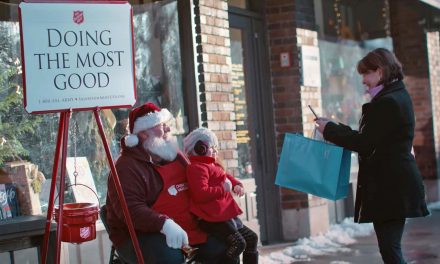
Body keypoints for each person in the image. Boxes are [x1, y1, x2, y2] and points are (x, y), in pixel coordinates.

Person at [315, 48, 430, 264]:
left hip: (391, 187)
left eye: (365, 74)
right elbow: (370, 138)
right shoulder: (395, 96)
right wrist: (333, 126)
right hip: (395, 185)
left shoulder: (387, 102)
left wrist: (329, 130)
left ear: (379, 71)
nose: (363, 81)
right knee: (390, 248)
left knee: (390, 250)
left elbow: (364, 143)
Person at [105, 102, 233, 264]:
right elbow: (130, 210)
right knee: (169, 258)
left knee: (227, 244)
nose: (167, 129)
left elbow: (198, 183)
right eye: (161, 125)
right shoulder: (126, 168)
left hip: (187, 225)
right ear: (143, 133)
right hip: (140, 234)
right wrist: (164, 224)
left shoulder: (173, 154)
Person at [183, 127, 259, 264]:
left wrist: (236, 184)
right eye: (212, 147)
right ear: (200, 148)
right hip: (211, 218)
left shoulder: (212, 165)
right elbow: (200, 193)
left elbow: (226, 176)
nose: (216, 150)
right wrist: (223, 189)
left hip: (225, 215)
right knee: (238, 244)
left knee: (251, 238)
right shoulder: (196, 168)